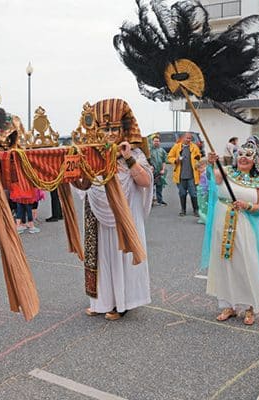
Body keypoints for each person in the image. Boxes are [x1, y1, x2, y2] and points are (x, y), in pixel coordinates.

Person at [79, 98, 153, 321]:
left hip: (125, 216)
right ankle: (100, 301)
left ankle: (123, 303)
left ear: (123, 129)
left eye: (113, 128)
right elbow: (82, 184)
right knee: (100, 256)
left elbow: (145, 182)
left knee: (122, 256)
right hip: (99, 217)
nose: (109, 133)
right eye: (104, 129)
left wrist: (128, 158)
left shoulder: (135, 154)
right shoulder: (92, 155)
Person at [201, 143, 259, 326]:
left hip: (245, 227)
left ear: (255, 160)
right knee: (225, 263)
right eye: (240, 154)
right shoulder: (227, 171)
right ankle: (229, 305)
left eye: (248, 155)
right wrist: (212, 164)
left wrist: (247, 205)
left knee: (246, 265)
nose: (243, 157)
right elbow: (215, 180)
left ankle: (250, 307)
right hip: (222, 223)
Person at [167, 132, 201, 217]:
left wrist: (197, 161)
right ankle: (183, 210)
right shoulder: (176, 147)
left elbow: (198, 156)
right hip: (180, 176)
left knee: (193, 193)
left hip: (192, 176)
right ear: (183, 138)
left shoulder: (194, 147)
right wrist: (176, 160)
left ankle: (196, 210)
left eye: (190, 138)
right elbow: (169, 157)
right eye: (187, 138)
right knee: (182, 193)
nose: (189, 140)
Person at [148, 134, 168, 206]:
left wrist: (163, 169)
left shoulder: (162, 151)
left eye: (158, 141)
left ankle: (160, 200)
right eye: (155, 141)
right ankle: (150, 201)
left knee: (159, 186)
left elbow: (164, 161)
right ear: (152, 142)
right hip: (151, 171)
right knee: (150, 187)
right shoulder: (149, 150)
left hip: (159, 172)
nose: (156, 142)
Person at [196, 159, 209, 224]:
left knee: (202, 205)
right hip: (203, 189)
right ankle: (203, 218)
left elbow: (206, 183)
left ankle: (204, 218)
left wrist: (204, 191)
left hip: (203, 191)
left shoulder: (204, 174)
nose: (198, 170)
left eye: (200, 168)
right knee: (203, 205)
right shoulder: (205, 173)